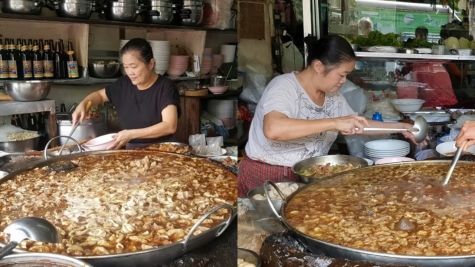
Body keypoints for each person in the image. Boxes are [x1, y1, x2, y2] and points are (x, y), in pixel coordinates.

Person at [237, 35, 425, 198]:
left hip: (310, 174)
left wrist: (403, 128)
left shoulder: (333, 96)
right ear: (319, 66)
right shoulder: (284, 86)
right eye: (342, 75)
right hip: (268, 176)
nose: (344, 81)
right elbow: (273, 129)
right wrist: (334, 122)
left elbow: (357, 124)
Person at [72, 38, 180, 150]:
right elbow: (99, 96)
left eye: (134, 67)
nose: (130, 72)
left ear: (151, 63)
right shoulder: (124, 84)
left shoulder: (165, 87)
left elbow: (169, 126)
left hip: (163, 151)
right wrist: (83, 104)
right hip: (132, 152)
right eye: (126, 67)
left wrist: (131, 134)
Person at [400, 26, 458, 107]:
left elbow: (408, 68)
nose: (421, 37)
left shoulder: (429, 49)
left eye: (423, 35)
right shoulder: (417, 49)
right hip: (432, 78)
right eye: (420, 35)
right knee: (435, 105)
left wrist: (401, 73)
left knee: (438, 103)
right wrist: (401, 73)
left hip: (435, 78)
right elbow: (408, 67)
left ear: (426, 36)